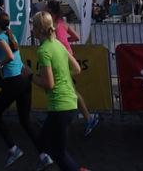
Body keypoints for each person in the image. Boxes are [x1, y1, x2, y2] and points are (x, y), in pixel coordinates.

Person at [0, 12, 53, 170]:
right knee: (25, 120)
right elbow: (11, 54)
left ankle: (12, 148)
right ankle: (43, 154)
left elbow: (9, 56)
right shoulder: (10, 36)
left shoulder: (0, 38)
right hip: (23, 79)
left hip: (14, 80)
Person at [22, 11, 87, 171]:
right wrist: (63, 76)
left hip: (60, 105)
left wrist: (30, 75)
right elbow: (77, 69)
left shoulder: (44, 50)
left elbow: (48, 84)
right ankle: (44, 161)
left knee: (58, 151)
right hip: (69, 100)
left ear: (37, 29)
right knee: (43, 142)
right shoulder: (58, 44)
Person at [46, 0, 98, 136]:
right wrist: (65, 42)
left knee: (66, 89)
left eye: (46, 7)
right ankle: (86, 118)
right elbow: (76, 37)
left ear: (50, 10)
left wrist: (59, 43)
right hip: (68, 55)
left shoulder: (51, 23)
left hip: (62, 57)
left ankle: (88, 118)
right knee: (63, 88)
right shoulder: (63, 23)